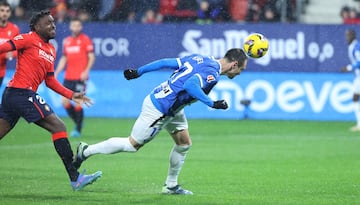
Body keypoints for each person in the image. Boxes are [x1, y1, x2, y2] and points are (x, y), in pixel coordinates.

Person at [73, 48, 248, 194]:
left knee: (184, 143)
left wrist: (138, 72)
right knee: (132, 145)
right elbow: (190, 85)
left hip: (170, 104)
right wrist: (213, 103)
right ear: (234, 65)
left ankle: (171, 185)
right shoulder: (212, 74)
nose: (240, 73)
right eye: (241, 69)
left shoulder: (200, 58)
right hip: (161, 109)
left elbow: (165, 62)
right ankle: (86, 151)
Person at [0, 10, 101, 191]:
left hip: (15, 96)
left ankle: (75, 177)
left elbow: (50, 80)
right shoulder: (28, 38)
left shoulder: (51, 49)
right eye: (48, 23)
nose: (53, 26)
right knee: (58, 126)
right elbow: (4, 47)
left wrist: (71, 95)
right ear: (37, 27)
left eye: (53, 23)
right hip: (21, 93)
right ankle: (75, 177)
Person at [55, 17, 95, 137]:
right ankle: (78, 122)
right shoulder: (67, 41)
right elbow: (64, 58)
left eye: (78, 25)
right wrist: (57, 71)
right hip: (68, 76)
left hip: (80, 77)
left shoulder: (85, 40)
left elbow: (92, 57)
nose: (76, 28)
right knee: (65, 102)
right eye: (74, 25)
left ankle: (77, 129)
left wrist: (86, 71)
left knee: (78, 102)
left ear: (81, 27)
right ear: (70, 27)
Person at [341, 29, 360, 131]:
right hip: (357, 77)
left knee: (355, 98)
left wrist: (348, 68)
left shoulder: (356, 47)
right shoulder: (353, 46)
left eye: (348, 35)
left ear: (353, 35)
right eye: (346, 35)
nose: (346, 38)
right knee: (355, 97)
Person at [0, 1, 20, 87]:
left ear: (10, 13)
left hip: (1, 71)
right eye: (2, 10)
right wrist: (4, 55)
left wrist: (12, 54)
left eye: (7, 11)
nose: (5, 13)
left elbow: (19, 48)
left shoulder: (14, 29)